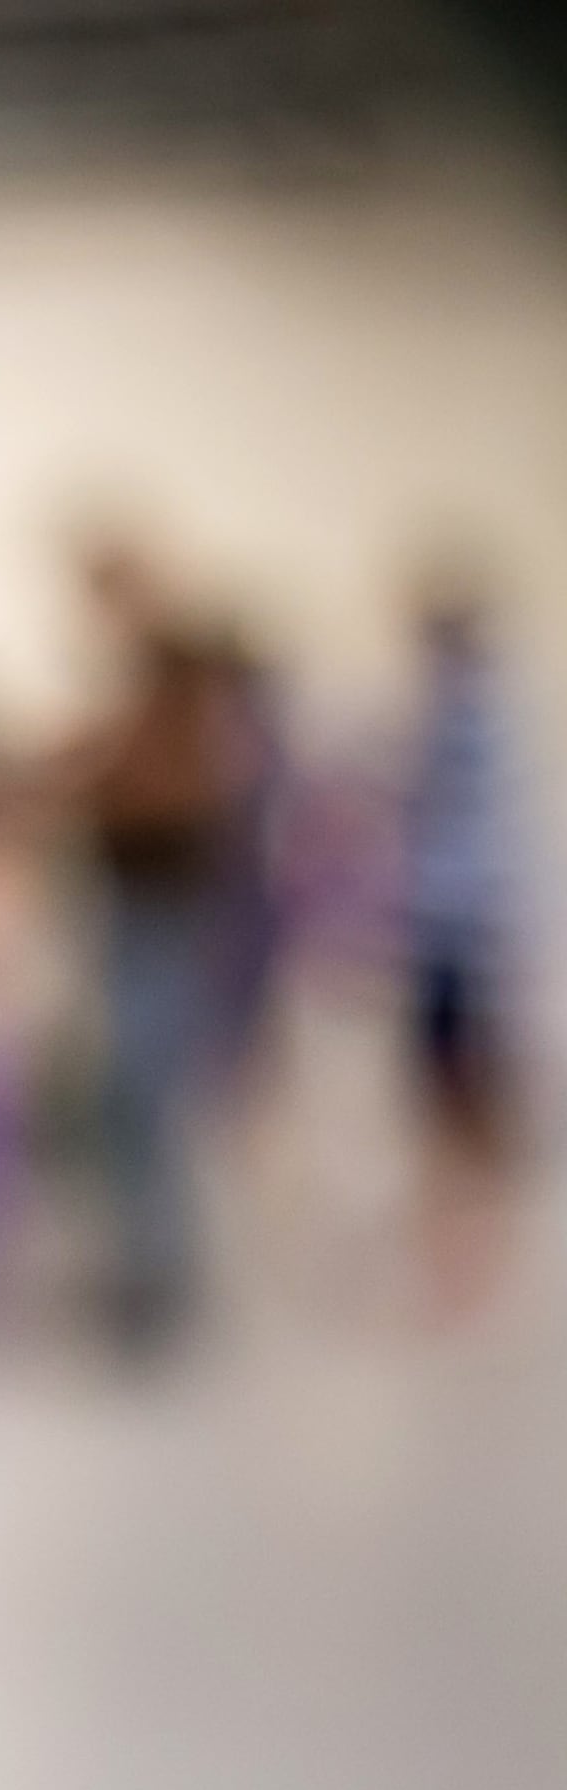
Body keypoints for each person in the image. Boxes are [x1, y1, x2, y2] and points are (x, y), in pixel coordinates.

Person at [68, 539, 260, 1347]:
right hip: (131, 903)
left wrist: (90, 788)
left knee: (141, 1090)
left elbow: (178, 790)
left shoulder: (181, 680)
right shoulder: (138, 687)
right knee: (123, 1098)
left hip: (162, 908)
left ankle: (158, 1273)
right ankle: (144, 1263)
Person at [397, 565, 530, 1320]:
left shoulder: (468, 712)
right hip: (450, 924)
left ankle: (471, 1244)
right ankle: (463, 1236)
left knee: (462, 1084)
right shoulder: (460, 706)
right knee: (448, 1080)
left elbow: (460, 825)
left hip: (461, 928)